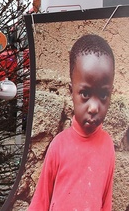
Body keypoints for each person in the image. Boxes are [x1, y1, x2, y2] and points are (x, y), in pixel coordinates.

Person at [28, 34, 115, 210]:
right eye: (85, 94)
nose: (93, 108)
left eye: (103, 95)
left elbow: (106, 202)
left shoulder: (108, 146)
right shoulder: (59, 145)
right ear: (71, 91)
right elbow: (40, 202)